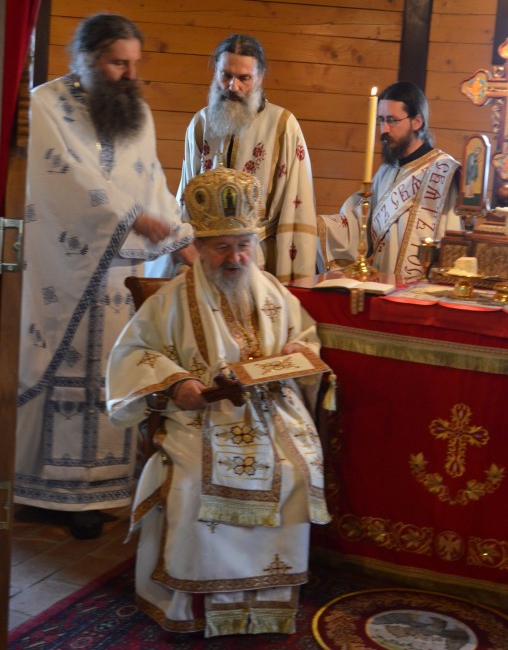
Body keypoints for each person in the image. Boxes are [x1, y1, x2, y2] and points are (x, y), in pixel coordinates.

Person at [106, 165, 331, 637]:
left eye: (244, 245)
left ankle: (265, 598)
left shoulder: (271, 291)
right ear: (201, 248)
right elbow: (134, 352)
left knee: (294, 468)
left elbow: (306, 337)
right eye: (222, 247)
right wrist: (177, 383)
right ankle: (194, 602)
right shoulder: (171, 299)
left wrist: (298, 349)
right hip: (202, 416)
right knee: (193, 476)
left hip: (272, 413)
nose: (235, 257)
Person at [15, 13, 196, 540]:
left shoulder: (137, 112)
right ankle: (40, 490)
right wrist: (131, 217)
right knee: (60, 371)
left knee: (109, 373)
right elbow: (67, 180)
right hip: (62, 271)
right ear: (87, 58)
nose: (129, 75)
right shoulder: (47, 105)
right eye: (119, 63)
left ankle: (95, 494)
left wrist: (181, 239)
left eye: (134, 63)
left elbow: (152, 181)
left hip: (120, 279)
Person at [176, 33, 317, 282]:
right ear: (216, 71)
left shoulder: (283, 125)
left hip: (258, 261)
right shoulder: (201, 124)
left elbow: (297, 206)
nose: (233, 86)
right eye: (226, 75)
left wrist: (290, 276)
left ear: (260, 77)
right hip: (204, 260)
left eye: (244, 78)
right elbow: (186, 199)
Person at [317, 81, 462, 280]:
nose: (384, 129)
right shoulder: (386, 170)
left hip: (422, 288)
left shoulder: (443, 172)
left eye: (392, 120)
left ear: (417, 122)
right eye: (381, 120)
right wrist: (318, 226)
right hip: (382, 285)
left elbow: (453, 237)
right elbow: (358, 224)